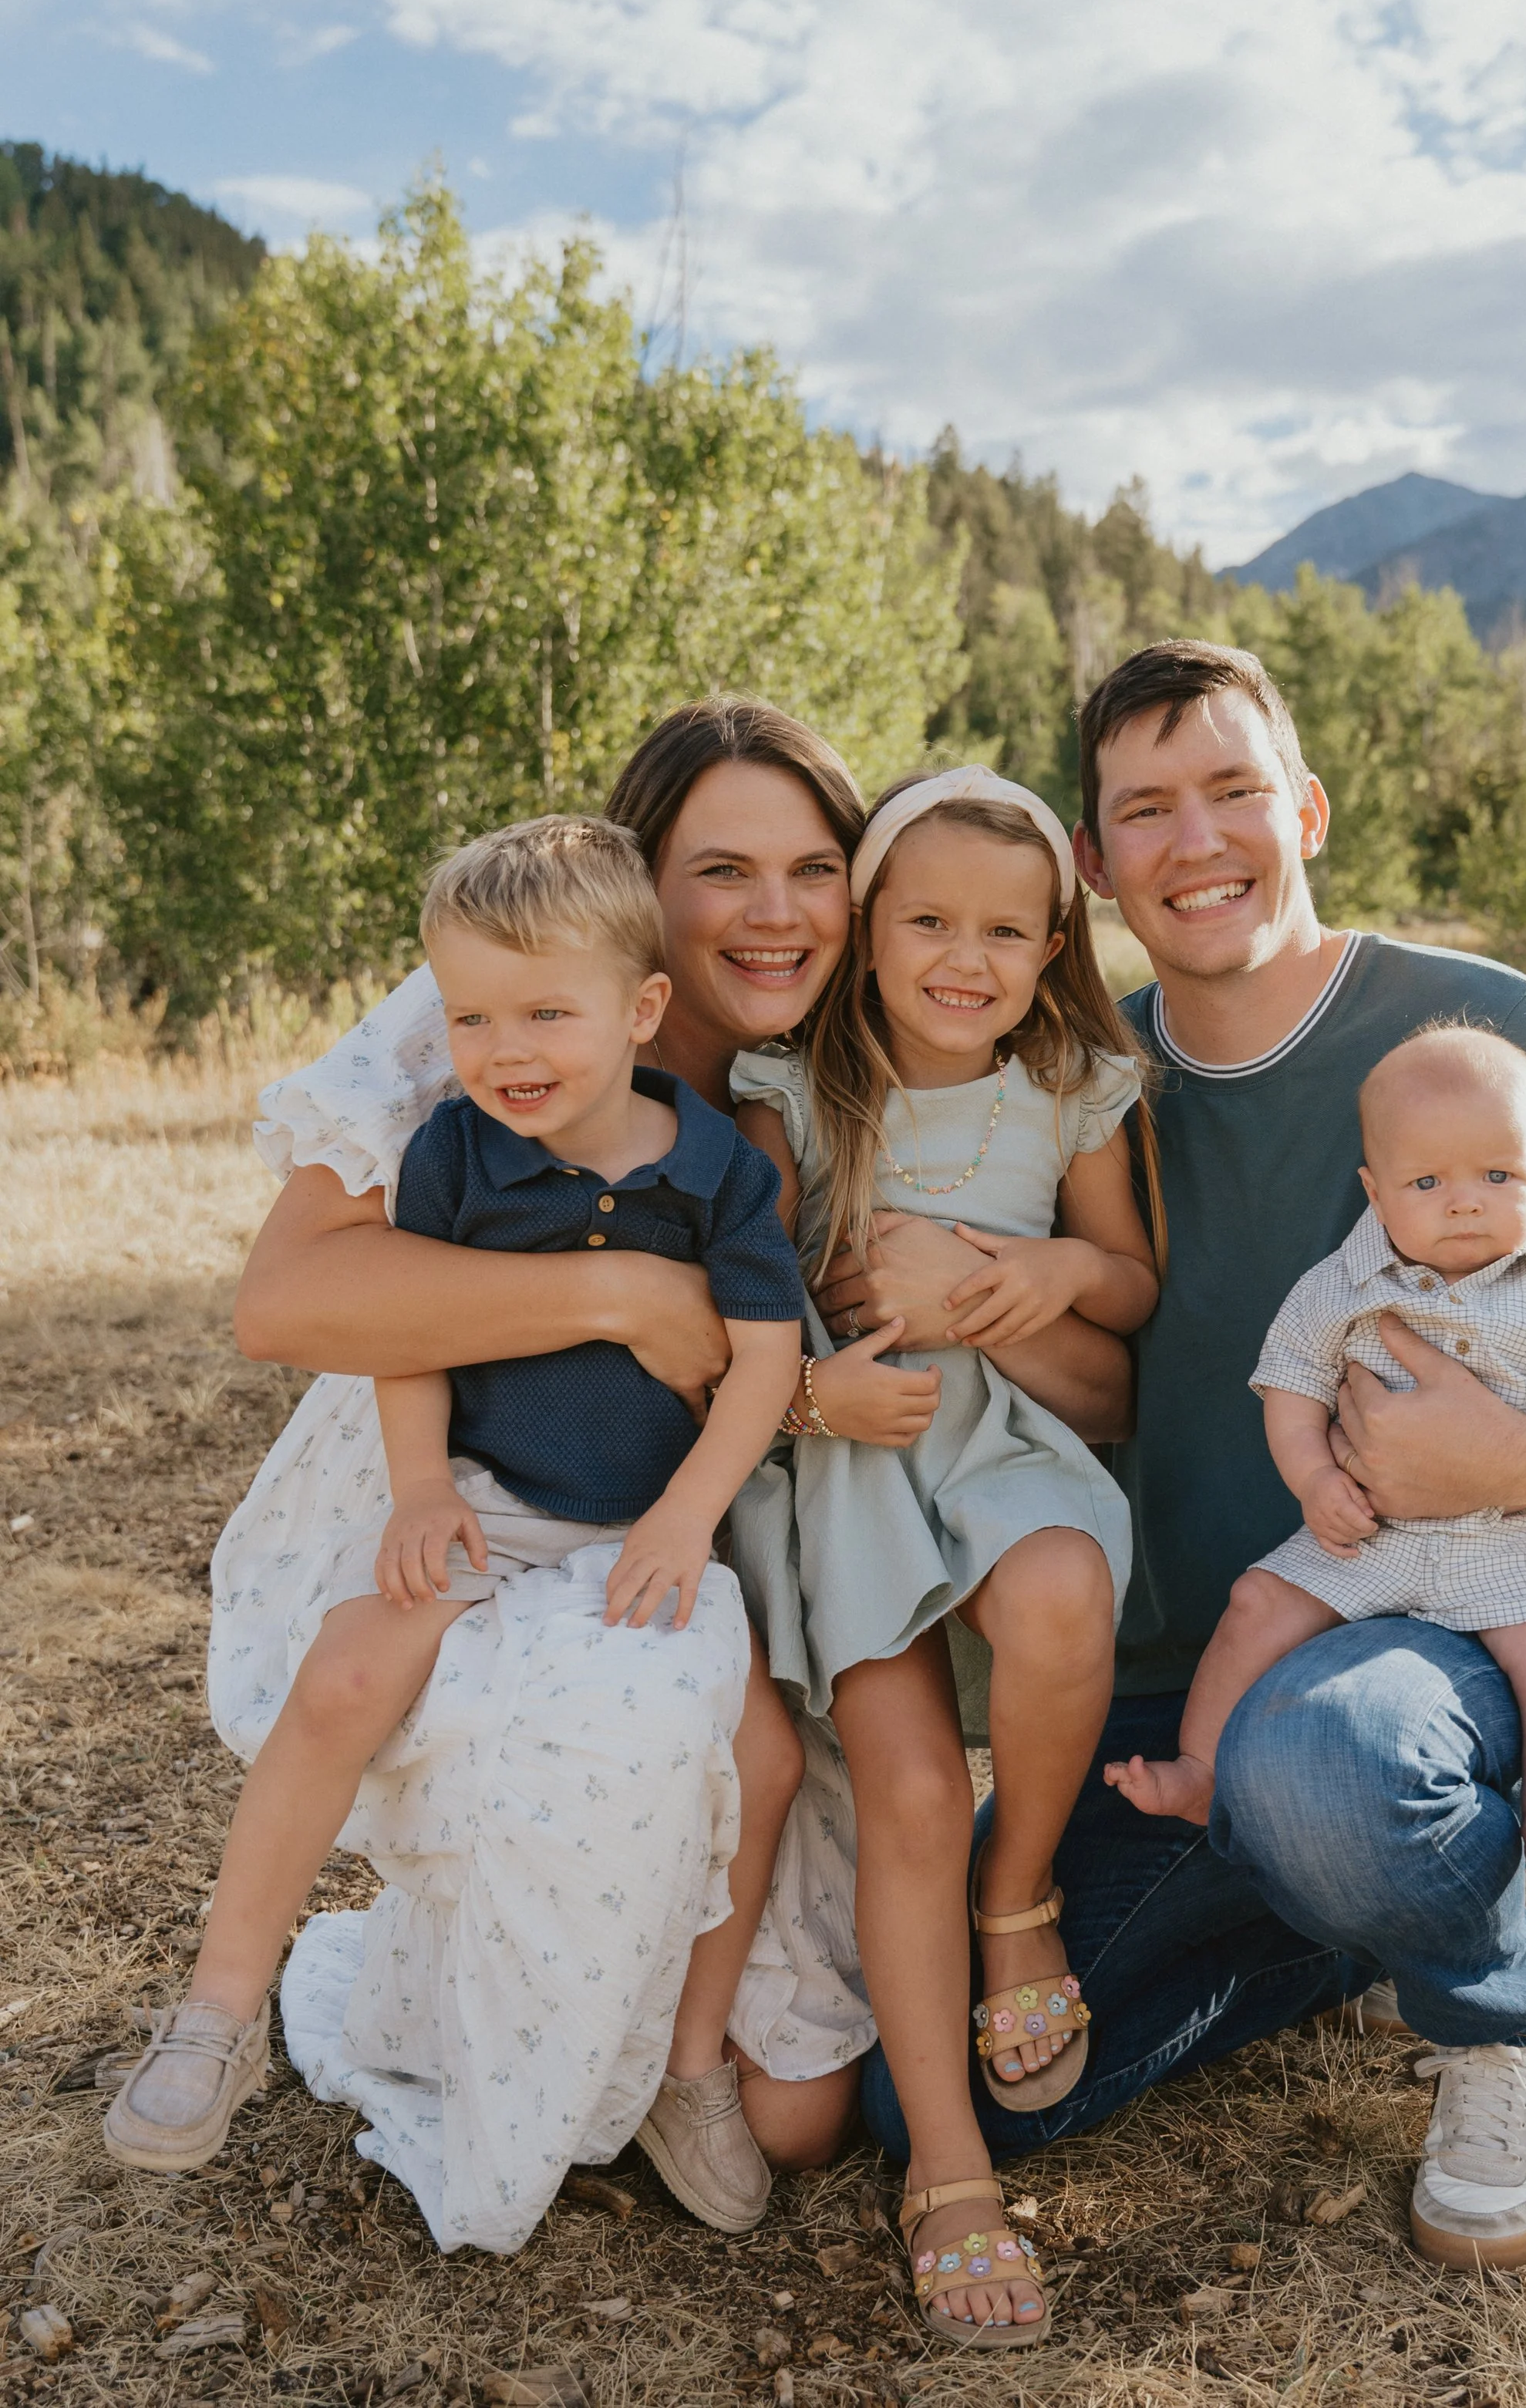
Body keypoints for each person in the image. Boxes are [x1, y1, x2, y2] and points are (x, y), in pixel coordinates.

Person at [854, 639, 1526, 2277]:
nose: (1195, 842)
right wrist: (969, 1292)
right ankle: (1346, 1915)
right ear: (1090, 860)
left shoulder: (1485, 1031)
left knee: (1329, 1761)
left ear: (1308, 810)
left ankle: (1489, 2016)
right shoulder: (1075, 1080)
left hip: (1468, 1627)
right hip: (1187, 1682)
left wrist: (1513, 1456)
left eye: (1233, 791)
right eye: (1146, 809)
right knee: (929, 2102)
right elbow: (1098, 1385)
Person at [203, 700, 1129, 2256]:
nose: (775, 913)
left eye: (813, 869)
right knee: (587, 1751)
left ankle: (659, 2027)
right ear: (642, 884)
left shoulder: (845, 1054)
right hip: (502, 1489)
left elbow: (1076, 1376)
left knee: (801, 2115)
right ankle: (495, 1979)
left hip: (743, 1527)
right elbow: (283, 1302)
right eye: (722, 870)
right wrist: (621, 1294)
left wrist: (987, 1292)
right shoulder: (512, 1000)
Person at [109, 814, 810, 2231]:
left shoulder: (722, 1169)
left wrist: (688, 1516)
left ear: (642, 1010)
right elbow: (409, 1331)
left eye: (545, 1012)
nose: (506, 1048)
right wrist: (422, 1486)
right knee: (345, 1674)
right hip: (488, 1498)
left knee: (764, 1754)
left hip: (650, 1524)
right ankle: (217, 2008)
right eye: (473, 1017)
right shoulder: (454, 1155)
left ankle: (688, 2068)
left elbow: (766, 1359)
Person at [734, 766, 1158, 2346]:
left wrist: (1043, 1270)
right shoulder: (791, 1091)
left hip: (998, 1432)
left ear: (1054, 946)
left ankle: (1018, 1891)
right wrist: (810, 1375)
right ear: (866, 928)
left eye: (1003, 930)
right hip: (850, 1455)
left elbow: (1127, 1285)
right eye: (925, 921)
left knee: (1061, 1593)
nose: (963, 959)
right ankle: (949, 2169)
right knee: (910, 1789)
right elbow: (741, 1293)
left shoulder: (1071, 1087)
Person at [1108, 1021, 1526, 1894]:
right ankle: (1200, 1768)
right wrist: (1315, 1479)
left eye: (1498, 1177)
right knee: (1258, 1602)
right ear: (1374, 1191)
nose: (1464, 1203)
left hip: (1506, 1536)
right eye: (1427, 1182)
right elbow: (1291, 1390)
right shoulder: (1337, 1289)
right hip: (1367, 1534)